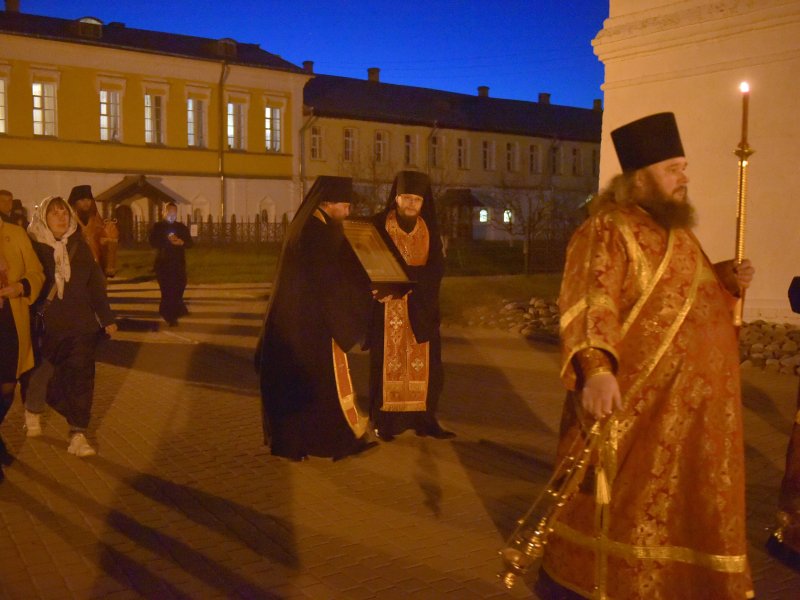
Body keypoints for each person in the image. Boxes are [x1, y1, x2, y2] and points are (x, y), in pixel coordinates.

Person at [537, 113, 755, 599]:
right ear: (641, 176)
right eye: (674, 168)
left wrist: (723, 278)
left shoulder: (674, 230)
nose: (685, 177)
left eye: (685, 166)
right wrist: (595, 369)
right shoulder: (608, 229)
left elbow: (683, 296)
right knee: (626, 508)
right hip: (638, 408)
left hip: (692, 417)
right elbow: (592, 299)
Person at [256, 176, 375, 461]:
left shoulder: (306, 225)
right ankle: (335, 442)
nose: (347, 213)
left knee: (293, 387)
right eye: (344, 207)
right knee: (322, 388)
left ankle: (292, 444)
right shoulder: (319, 233)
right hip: (310, 325)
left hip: (290, 323)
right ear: (327, 203)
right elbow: (331, 284)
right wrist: (360, 306)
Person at [24, 196, 117, 458]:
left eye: (64, 212)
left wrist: (106, 318)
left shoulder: (80, 246)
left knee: (81, 381)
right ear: (44, 218)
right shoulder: (34, 247)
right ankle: (33, 408)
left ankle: (78, 434)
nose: (61, 217)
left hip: (81, 328)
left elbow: (96, 286)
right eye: (54, 213)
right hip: (45, 328)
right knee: (42, 379)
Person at [367, 170, 453, 441]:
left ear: (423, 202)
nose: (411, 204)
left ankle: (425, 420)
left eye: (416, 199)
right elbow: (368, 259)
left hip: (420, 309)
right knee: (386, 366)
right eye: (406, 198)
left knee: (428, 369)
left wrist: (409, 279)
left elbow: (437, 268)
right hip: (387, 309)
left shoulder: (429, 230)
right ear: (396, 198)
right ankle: (385, 422)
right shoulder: (379, 225)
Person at [0, 216, 44, 482]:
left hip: (10, 323)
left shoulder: (15, 233)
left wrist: (19, 287)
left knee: (7, 387)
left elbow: (36, 272)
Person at [149, 202, 192, 326]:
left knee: (179, 287)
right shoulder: (158, 227)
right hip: (163, 264)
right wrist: (167, 241)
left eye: (174, 212)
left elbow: (190, 243)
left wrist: (181, 242)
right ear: (164, 213)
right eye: (169, 212)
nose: (172, 215)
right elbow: (153, 242)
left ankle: (177, 308)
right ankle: (169, 316)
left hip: (178, 263)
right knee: (167, 290)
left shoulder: (181, 227)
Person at [67, 185, 118, 277]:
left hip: (96, 269)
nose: (86, 203)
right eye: (82, 200)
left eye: (88, 200)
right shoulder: (67, 223)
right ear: (74, 203)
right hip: (75, 270)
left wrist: (109, 239)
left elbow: (108, 248)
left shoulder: (98, 224)